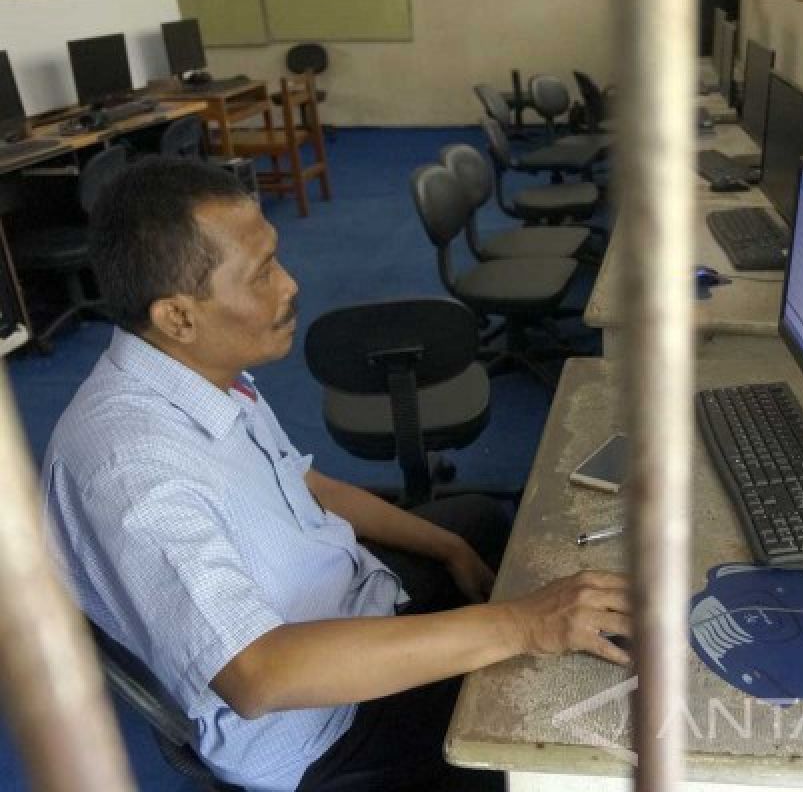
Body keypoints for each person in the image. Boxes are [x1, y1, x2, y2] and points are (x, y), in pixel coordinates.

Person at [41, 159, 632, 791]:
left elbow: (300, 484)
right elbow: (258, 674)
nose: (290, 285)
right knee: (575, 722)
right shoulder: (129, 468)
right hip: (322, 725)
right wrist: (522, 623)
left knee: (485, 529)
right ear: (178, 317)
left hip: (354, 600)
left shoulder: (201, 373)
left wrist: (445, 545)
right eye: (263, 272)